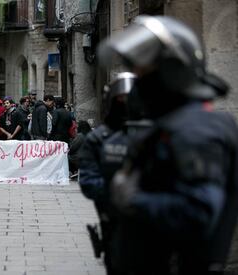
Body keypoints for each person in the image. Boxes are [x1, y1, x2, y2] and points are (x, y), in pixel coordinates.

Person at [97, 15, 238, 275]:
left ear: (172, 72)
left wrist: (134, 199)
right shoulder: (173, 123)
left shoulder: (198, 130)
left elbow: (198, 212)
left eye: (144, 74)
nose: (138, 83)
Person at [78, 72, 137, 275]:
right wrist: (118, 192)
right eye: (122, 99)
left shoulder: (153, 133)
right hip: (113, 217)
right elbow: (88, 181)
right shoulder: (98, 139)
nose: (127, 103)